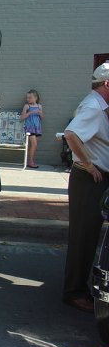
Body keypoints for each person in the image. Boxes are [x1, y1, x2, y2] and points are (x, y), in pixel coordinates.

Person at [62, 62, 109, 313]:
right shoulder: (93, 106)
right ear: (107, 84)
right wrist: (89, 165)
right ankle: (74, 292)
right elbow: (71, 135)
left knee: (89, 236)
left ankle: (80, 288)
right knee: (83, 237)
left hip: (95, 178)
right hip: (89, 179)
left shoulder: (98, 105)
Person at [20, 89, 43, 169]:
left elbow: (42, 118)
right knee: (34, 144)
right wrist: (30, 113)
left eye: (30, 97)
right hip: (30, 128)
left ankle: (30, 161)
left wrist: (40, 113)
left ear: (35, 98)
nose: (28, 99)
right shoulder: (27, 106)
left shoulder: (39, 106)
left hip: (37, 128)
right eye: (27, 98)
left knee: (34, 146)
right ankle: (30, 162)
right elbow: (22, 118)